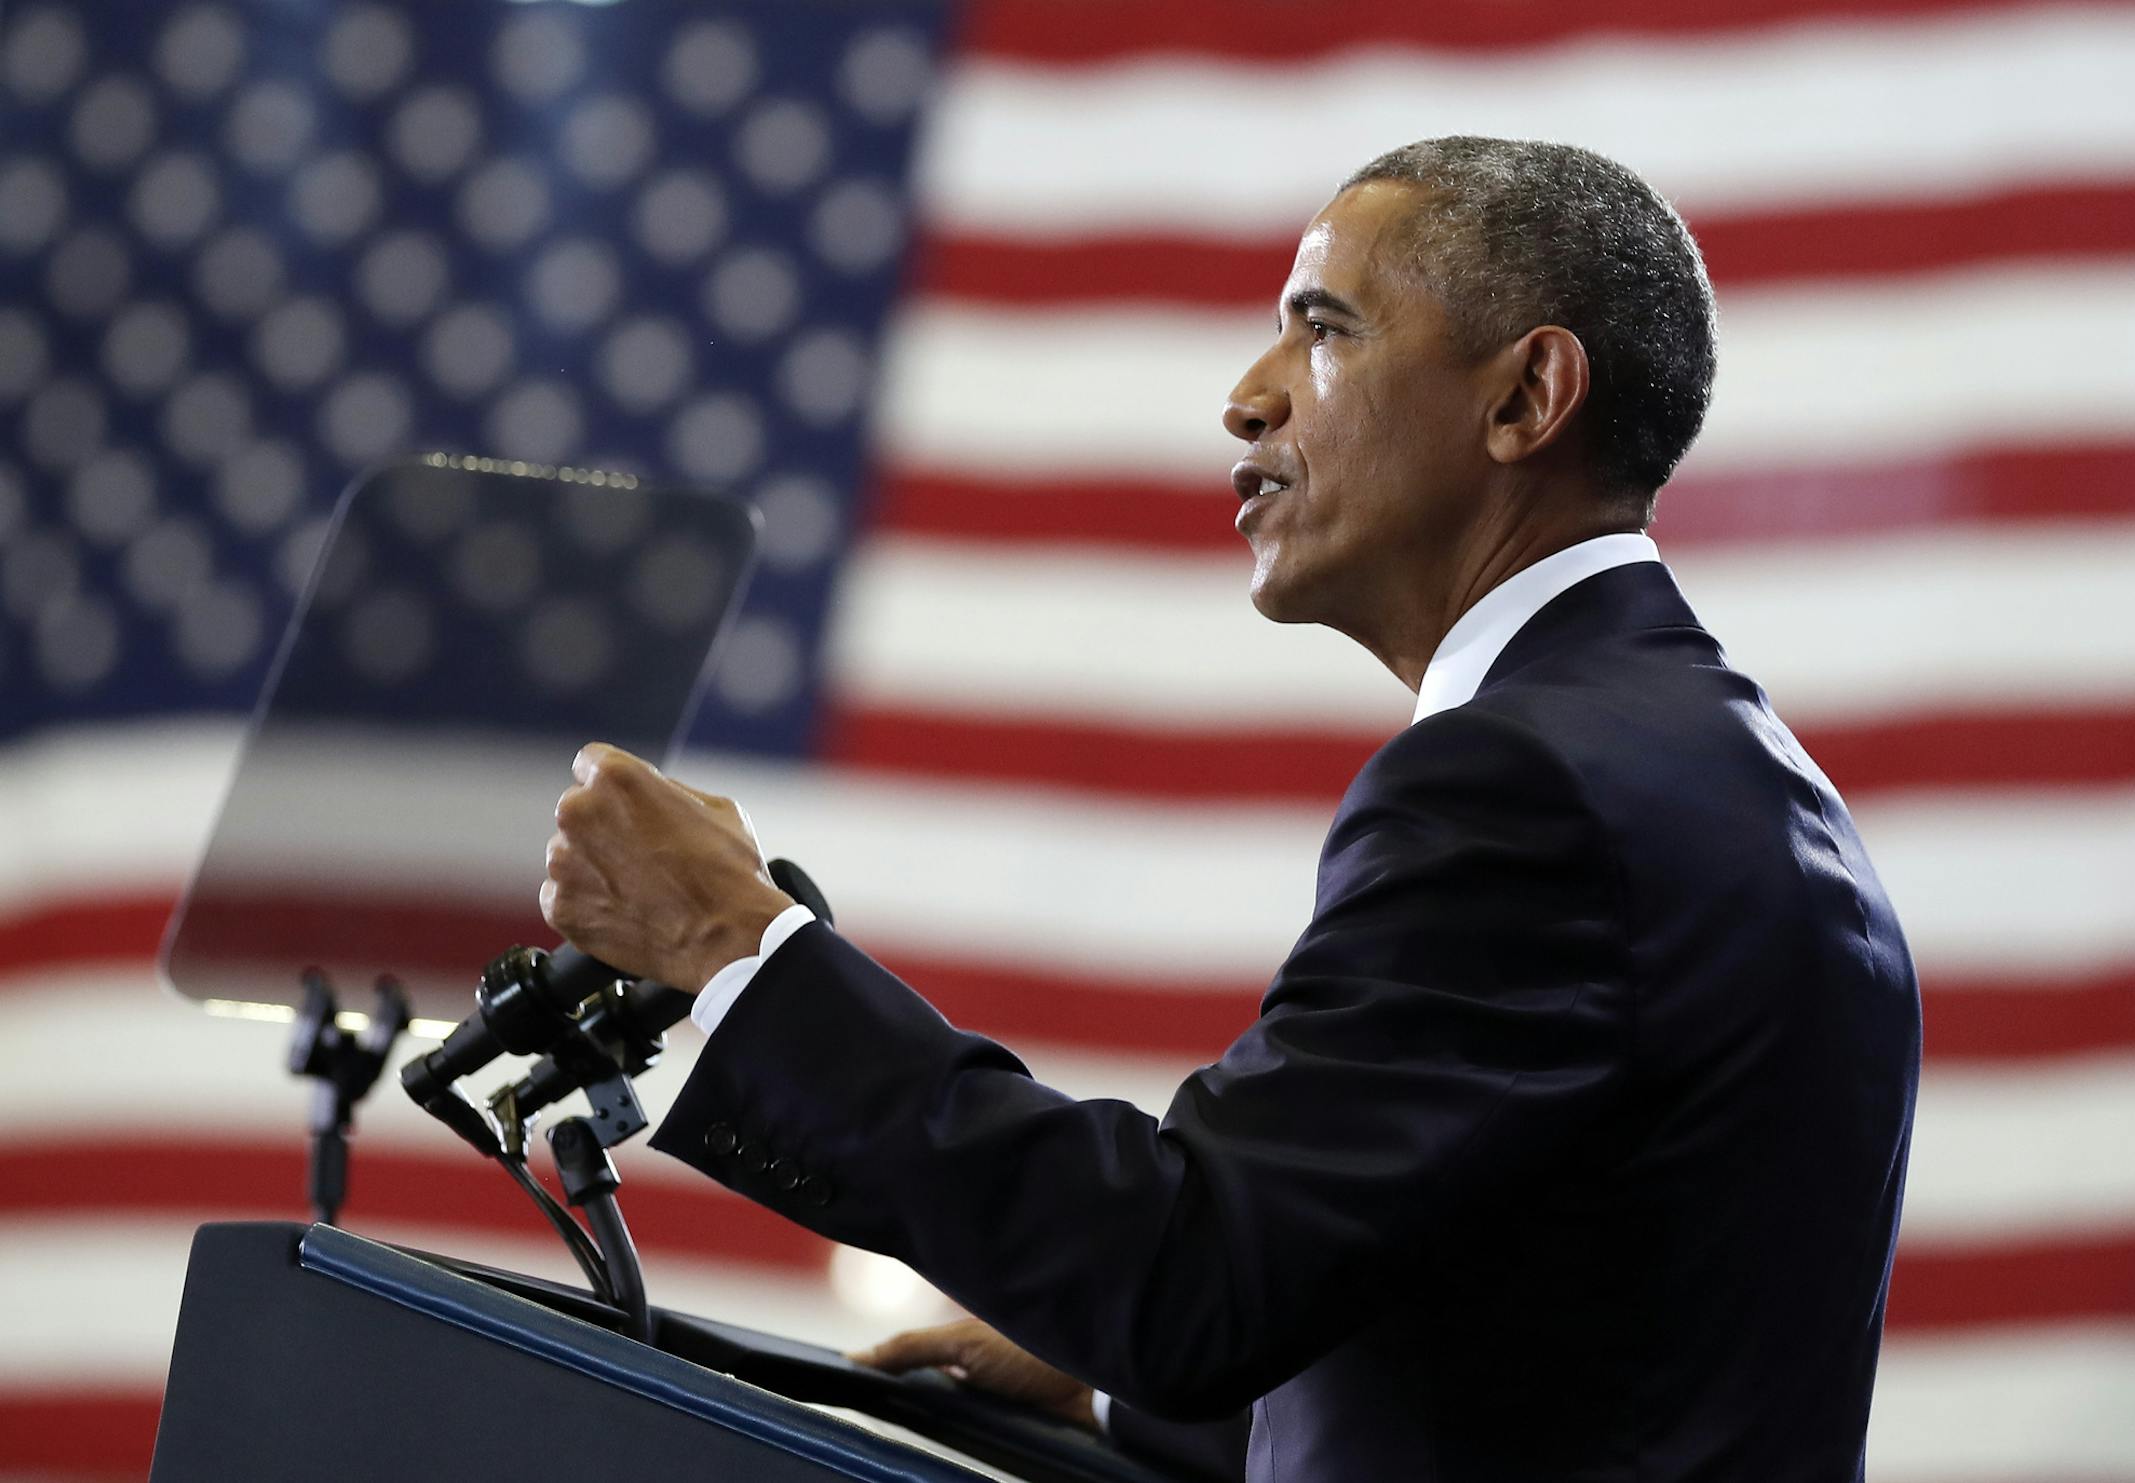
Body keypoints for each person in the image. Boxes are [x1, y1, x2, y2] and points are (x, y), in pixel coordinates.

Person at [539, 137, 1921, 1482]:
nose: (1248, 401)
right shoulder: (1719, 765)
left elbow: (1190, 1280)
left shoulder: (1524, 788)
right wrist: (1115, 1396)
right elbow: (1585, 1346)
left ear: (1525, 400)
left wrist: (740, 948)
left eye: (1324, 328)